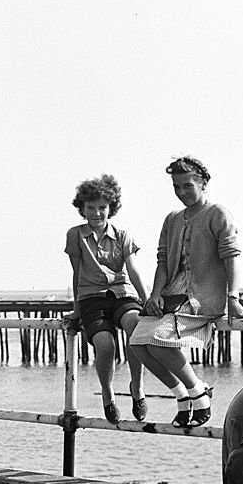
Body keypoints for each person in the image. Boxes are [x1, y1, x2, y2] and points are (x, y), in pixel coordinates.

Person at [128, 155, 243, 427]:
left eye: (187, 186)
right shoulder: (172, 219)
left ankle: (199, 392)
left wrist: (233, 298)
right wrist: (155, 295)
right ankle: (182, 395)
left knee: (159, 338)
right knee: (137, 344)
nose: (182, 192)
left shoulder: (218, 213)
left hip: (201, 297)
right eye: (176, 187)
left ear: (203, 183)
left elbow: (231, 257)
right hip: (172, 293)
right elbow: (161, 261)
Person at [64, 174, 149, 423]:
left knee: (135, 326)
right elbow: (77, 274)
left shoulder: (123, 235)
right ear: (82, 209)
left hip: (122, 294)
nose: (97, 213)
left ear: (112, 208)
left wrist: (147, 301)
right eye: (91, 207)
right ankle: (108, 393)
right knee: (105, 344)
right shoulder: (75, 235)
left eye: (102, 207)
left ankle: (137, 387)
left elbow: (133, 270)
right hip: (92, 298)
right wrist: (76, 311)